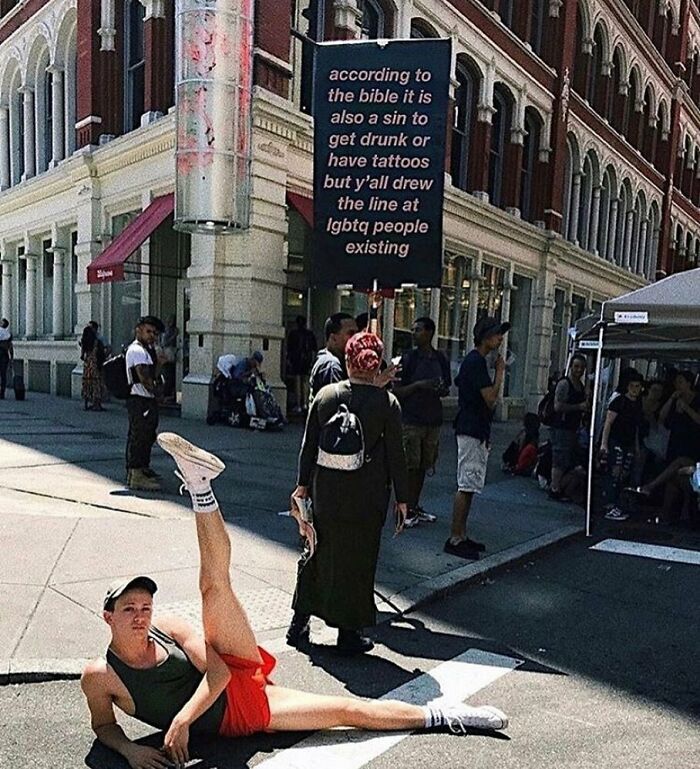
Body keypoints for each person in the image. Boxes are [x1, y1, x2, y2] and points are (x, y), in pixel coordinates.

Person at [80, 433, 507, 769]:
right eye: (129, 609)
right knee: (348, 709)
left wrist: (182, 719)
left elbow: (222, 673)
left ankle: (199, 484)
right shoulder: (99, 676)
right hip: (243, 717)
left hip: (235, 677)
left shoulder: (167, 628)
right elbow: (104, 725)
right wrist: (130, 752)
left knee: (214, 587)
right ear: (107, 617)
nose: (140, 616)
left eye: (144, 607)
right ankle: (447, 715)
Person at [287, 332, 410, 655]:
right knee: (358, 561)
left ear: (348, 360)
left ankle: (299, 623)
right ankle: (349, 632)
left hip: (326, 491)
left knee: (317, 552)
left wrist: (302, 486)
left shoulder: (326, 396)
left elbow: (308, 446)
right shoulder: (388, 404)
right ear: (377, 363)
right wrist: (403, 499)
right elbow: (397, 455)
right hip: (367, 496)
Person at [446, 317, 510, 560]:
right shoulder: (476, 362)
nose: (500, 339)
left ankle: (461, 534)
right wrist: (500, 374)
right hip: (471, 428)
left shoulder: (476, 361)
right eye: (496, 334)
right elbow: (491, 398)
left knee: (470, 484)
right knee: (466, 483)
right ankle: (455, 536)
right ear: (485, 337)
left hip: (474, 428)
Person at [393, 317, 451, 527]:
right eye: (413, 329)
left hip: (432, 420)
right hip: (412, 419)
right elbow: (396, 391)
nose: (414, 333)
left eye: (417, 330)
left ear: (429, 333)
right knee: (410, 466)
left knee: (423, 466)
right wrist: (419, 385)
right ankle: (403, 509)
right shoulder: (408, 359)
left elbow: (446, 387)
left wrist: (439, 388)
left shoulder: (440, 359)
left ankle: (414, 506)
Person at [633, 371, 700, 520]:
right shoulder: (675, 399)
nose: (678, 385)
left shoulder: (697, 399)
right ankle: (667, 511)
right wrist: (671, 399)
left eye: (681, 382)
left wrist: (687, 409)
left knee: (682, 469)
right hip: (676, 443)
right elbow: (662, 418)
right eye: (676, 382)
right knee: (673, 475)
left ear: (689, 383)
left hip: (693, 446)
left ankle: (652, 489)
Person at [599, 370, 645, 521]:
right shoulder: (619, 402)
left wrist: (637, 447)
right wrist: (604, 444)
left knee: (624, 473)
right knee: (614, 471)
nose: (634, 389)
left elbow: (637, 428)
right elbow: (608, 422)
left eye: (637, 386)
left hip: (629, 443)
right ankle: (609, 504)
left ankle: (617, 503)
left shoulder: (638, 404)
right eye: (632, 386)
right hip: (616, 441)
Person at [125, 316, 165, 491]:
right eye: (149, 331)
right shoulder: (137, 351)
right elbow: (146, 379)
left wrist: (160, 363)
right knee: (139, 436)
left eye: (155, 333)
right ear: (138, 329)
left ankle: (142, 469)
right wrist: (159, 394)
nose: (152, 336)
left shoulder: (146, 350)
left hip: (146, 400)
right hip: (140, 400)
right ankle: (136, 475)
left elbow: (153, 375)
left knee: (147, 435)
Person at [549, 354, 588, 501]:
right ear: (571, 367)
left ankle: (560, 487)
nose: (579, 370)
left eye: (582, 367)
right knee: (559, 457)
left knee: (566, 458)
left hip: (572, 427)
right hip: (561, 426)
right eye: (576, 366)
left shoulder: (580, 386)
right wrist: (579, 407)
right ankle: (555, 488)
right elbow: (557, 406)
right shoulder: (565, 384)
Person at [308, 312, 358, 401]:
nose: (355, 338)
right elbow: (338, 403)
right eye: (350, 333)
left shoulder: (335, 361)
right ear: (334, 338)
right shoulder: (331, 365)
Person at [286, 316, 317, 414]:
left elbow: (289, 349)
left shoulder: (293, 334)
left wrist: (289, 360)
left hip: (296, 359)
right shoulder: (309, 334)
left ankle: (299, 404)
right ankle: (306, 403)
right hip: (307, 359)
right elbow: (314, 348)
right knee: (306, 382)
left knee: (298, 381)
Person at [81, 321, 106, 411]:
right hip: (96, 365)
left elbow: (82, 356)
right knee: (96, 384)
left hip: (87, 366)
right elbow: (101, 353)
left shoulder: (84, 342)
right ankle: (97, 404)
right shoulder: (97, 342)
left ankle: (86, 404)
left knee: (87, 384)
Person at [160, 316, 179, 402]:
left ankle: (170, 395)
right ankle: (165, 395)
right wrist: (174, 336)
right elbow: (165, 343)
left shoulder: (171, 330)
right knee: (168, 377)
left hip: (172, 358)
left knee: (171, 377)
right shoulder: (166, 331)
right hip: (167, 358)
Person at [0, 318, 14, 399]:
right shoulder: (8, 334)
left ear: (3, 324)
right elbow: (10, 347)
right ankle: (2, 393)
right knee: (3, 374)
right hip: (5, 356)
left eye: (1, 322)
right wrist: (12, 358)